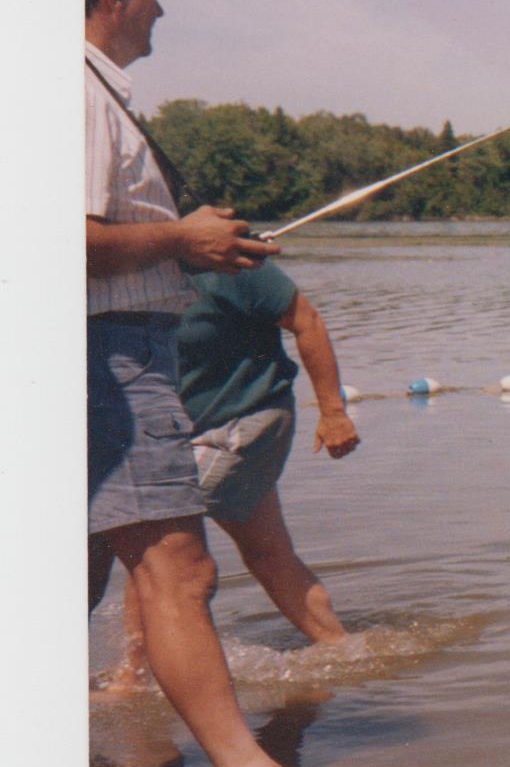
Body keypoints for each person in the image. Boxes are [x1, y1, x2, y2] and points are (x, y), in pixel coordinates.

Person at [86, 0, 377, 767]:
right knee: (177, 568)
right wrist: (181, 238)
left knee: (90, 572)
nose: (162, 8)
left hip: (151, 374)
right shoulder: (75, 93)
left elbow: (301, 318)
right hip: (107, 354)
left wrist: (189, 244)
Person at [113, 261, 361, 687]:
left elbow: (308, 321)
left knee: (155, 538)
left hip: (247, 422)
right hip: (188, 433)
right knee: (268, 554)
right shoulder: (127, 272)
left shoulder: (230, 265)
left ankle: (131, 679)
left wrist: (333, 411)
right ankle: (347, 652)